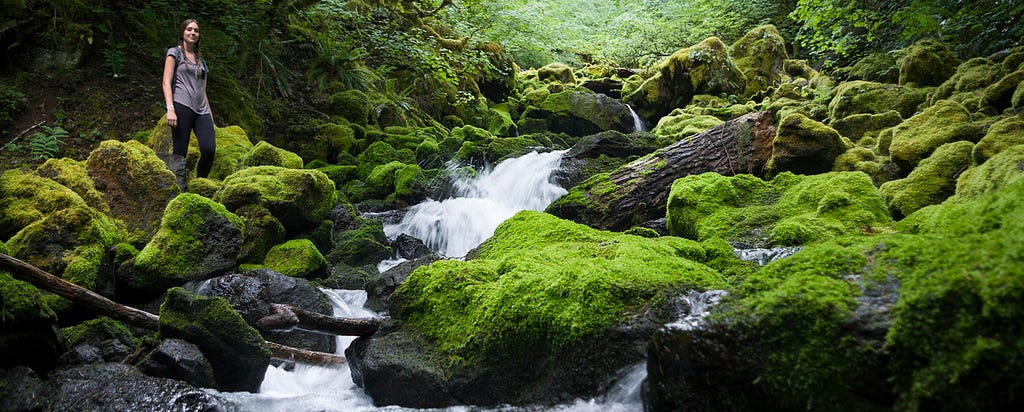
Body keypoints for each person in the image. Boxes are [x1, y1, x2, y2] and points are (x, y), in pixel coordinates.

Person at [162, 18, 215, 191]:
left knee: (209, 150)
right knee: (180, 153)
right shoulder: (174, 53)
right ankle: (180, 191)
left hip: (202, 110)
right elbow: (166, 82)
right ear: (183, 33)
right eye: (189, 29)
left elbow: (203, 91)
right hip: (181, 105)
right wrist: (170, 109)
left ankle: (200, 185)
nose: (193, 33)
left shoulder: (202, 62)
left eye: (196, 31)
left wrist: (211, 119)